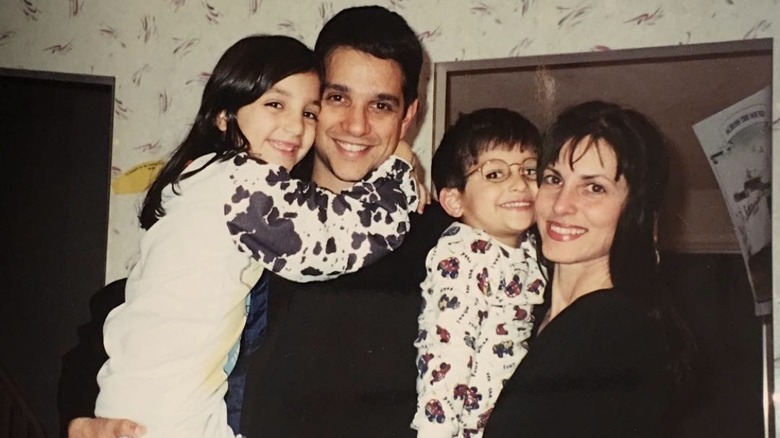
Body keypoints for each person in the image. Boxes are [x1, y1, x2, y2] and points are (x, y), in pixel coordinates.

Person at [65, 6, 449, 438]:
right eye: (336, 98)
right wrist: (81, 420)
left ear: (409, 116)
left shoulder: (438, 242)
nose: (355, 125)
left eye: (380, 105)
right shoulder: (256, 203)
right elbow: (119, 319)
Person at [483, 100, 688, 437]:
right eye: (553, 179)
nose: (561, 205)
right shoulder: (536, 317)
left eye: (594, 188)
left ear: (634, 212)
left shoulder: (616, 329)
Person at [411, 108, 546, 438]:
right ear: (455, 201)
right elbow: (447, 352)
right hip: (466, 427)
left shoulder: (531, 248)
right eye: (495, 174)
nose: (520, 183)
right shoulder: (464, 252)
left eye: (530, 171)